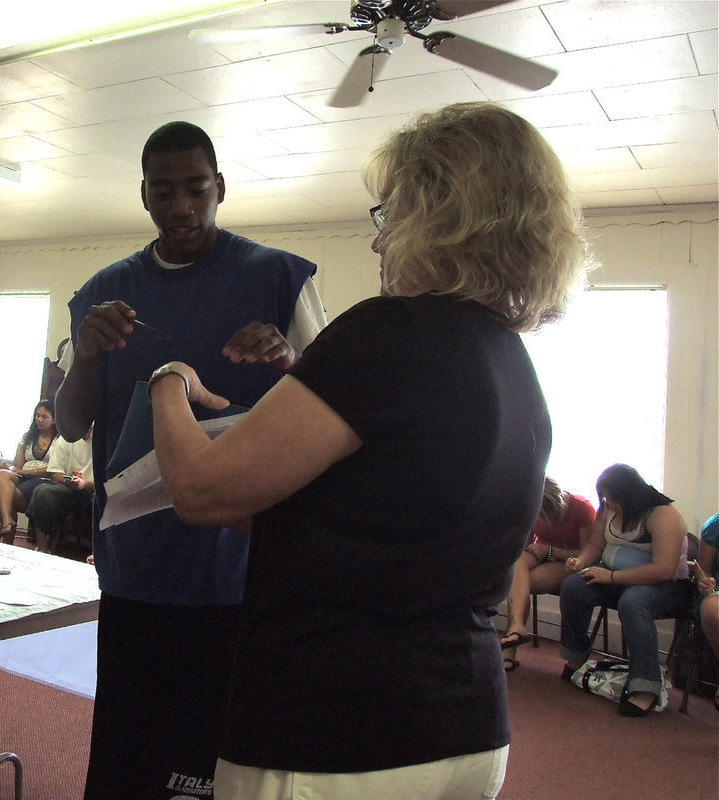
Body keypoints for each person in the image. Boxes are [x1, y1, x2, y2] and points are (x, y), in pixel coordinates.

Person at [147, 102, 589, 800]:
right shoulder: (511, 365)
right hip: (467, 731)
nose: (380, 245)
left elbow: (201, 491)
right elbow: (364, 529)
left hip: (335, 733)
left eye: (391, 215)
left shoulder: (390, 333)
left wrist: (166, 382)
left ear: (447, 214)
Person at [54, 121, 326, 799]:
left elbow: (333, 413)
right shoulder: (101, 293)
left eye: (196, 188)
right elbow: (66, 419)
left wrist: (288, 359)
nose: (181, 206)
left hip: (234, 570)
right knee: (126, 760)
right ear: (143, 196)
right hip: (133, 566)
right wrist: (86, 353)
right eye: (164, 190)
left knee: (208, 767)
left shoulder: (276, 278)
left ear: (220, 188)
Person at [560, 463, 692, 717]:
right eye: (605, 499)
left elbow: (663, 570)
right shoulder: (608, 510)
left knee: (633, 602)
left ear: (630, 494)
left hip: (665, 587)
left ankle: (646, 687)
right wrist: (582, 561)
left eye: (612, 499)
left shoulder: (663, 516)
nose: (608, 504)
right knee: (574, 587)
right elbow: (596, 544)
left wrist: (611, 577)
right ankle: (576, 656)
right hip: (615, 577)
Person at [500, 477, 595, 670]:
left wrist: (551, 551)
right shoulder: (529, 504)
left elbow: (589, 552)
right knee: (516, 568)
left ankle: (510, 644)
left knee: (524, 584)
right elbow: (525, 544)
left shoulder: (581, 508)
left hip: (568, 560)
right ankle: (516, 628)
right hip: (541, 552)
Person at [0, 399, 58, 544]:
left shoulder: (60, 440)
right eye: (37, 415)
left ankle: (7, 538)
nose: (39, 419)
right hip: (23, 477)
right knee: (1, 475)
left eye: (44, 416)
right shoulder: (27, 437)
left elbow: (55, 469)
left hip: (44, 481)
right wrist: (8, 468)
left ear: (54, 420)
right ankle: (7, 520)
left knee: (7, 496)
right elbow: (18, 466)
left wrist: (30, 472)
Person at [25, 426, 94, 553]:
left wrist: (85, 483)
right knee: (42, 492)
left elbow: (106, 480)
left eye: (92, 429)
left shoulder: (104, 442)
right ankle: (42, 548)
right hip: (68, 487)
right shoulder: (65, 440)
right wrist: (69, 479)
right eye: (87, 428)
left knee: (105, 498)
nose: (89, 433)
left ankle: (98, 554)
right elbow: (55, 473)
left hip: (93, 489)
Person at [694, 512, 719, 710]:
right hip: (716, 595)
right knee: (712, 609)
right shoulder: (716, 524)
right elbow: (703, 569)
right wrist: (704, 580)